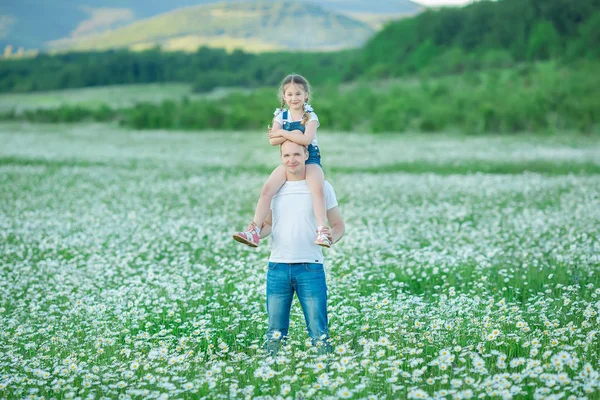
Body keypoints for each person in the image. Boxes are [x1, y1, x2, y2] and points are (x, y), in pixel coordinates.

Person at [257, 140, 345, 355]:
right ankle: (271, 377)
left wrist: (329, 238)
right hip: (277, 267)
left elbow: (338, 225)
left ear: (307, 154)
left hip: (310, 267)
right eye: (286, 156)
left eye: (296, 154)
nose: (291, 160)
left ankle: (326, 373)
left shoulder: (321, 186)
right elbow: (268, 224)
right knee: (275, 332)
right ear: (281, 158)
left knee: (318, 332)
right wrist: (256, 233)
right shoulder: (276, 187)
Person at [233, 73, 331, 248]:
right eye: (290, 94)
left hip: (310, 159)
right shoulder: (281, 116)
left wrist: (284, 134)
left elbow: (306, 140)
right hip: (289, 160)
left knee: (317, 188)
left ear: (306, 95)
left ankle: (322, 230)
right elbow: (272, 141)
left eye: (298, 94)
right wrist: (294, 135)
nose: (294, 98)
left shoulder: (310, 117)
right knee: (267, 189)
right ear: (284, 97)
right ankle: (254, 230)